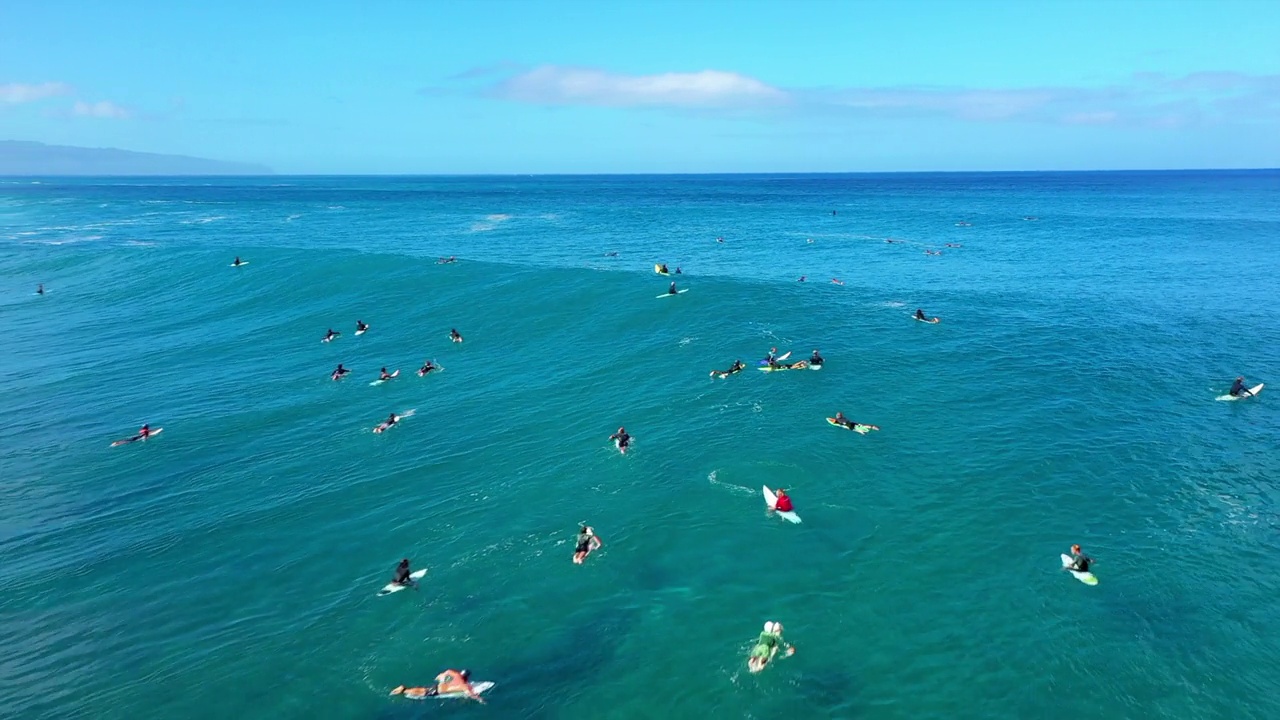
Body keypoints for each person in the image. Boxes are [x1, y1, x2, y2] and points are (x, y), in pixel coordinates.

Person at [390, 669, 485, 703]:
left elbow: (439, 676)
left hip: (436, 687)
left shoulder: (451, 672)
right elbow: (470, 693)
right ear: (466, 677)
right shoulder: (463, 684)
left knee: (422, 690)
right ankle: (403, 690)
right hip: (437, 692)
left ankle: (404, 689)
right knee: (421, 693)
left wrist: (443, 681)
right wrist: (480, 700)